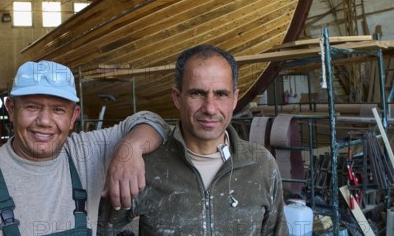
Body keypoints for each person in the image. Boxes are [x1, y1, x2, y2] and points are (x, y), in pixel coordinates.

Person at [0, 60, 169, 236]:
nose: (44, 121)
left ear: (73, 115)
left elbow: (155, 122)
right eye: (32, 107)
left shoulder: (84, 153)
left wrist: (129, 149)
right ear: (12, 110)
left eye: (58, 110)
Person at [98, 45, 288, 235]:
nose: (210, 108)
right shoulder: (143, 168)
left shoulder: (261, 165)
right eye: (197, 93)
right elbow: (99, 229)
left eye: (221, 94)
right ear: (178, 97)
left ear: (235, 99)